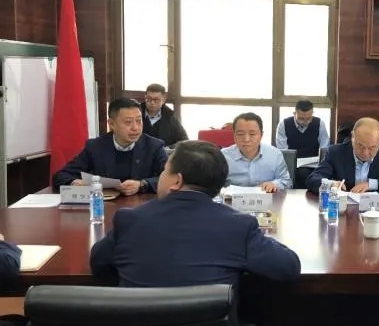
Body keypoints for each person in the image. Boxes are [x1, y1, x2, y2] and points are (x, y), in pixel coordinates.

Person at [89, 140, 301, 287]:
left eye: (164, 170)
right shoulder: (239, 226)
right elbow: (288, 267)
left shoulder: (130, 220)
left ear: (177, 181)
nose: (161, 176)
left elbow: (98, 264)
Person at [52, 98, 167, 195]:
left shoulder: (154, 146)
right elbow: (61, 175)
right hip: (104, 206)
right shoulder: (95, 147)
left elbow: (170, 178)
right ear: (111, 124)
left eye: (138, 121)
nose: (135, 128)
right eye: (128, 122)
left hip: (141, 207)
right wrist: (74, 183)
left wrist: (142, 184)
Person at [306, 117, 379, 194]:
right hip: (344, 209)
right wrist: (331, 184)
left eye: (372, 148)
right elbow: (313, 179)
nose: (365, 153)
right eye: (360, 146)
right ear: (352, 137)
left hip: (376, 211)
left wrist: (372, 184)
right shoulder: (335, 152)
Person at [222, 113, 292, 192]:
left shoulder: (275, 154)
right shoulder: (223, 156)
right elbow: (214, 185)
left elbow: (287, 182)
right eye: (240, 134)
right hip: (232, 199)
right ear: (234, 135)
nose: (246, 139)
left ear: (261, 135)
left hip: (266, 199)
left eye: (252, 134)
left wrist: (274, 184)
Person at [275, 99, 330, 188]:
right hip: (291, 165)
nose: (305, 122)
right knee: (299, 174)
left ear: (312, 114)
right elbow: (283, 151)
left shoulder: (319, 123)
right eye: (301, 118)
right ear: (294, 113)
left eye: (308, 118)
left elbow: (324, 148)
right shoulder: (284, 124)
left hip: (314, 165)